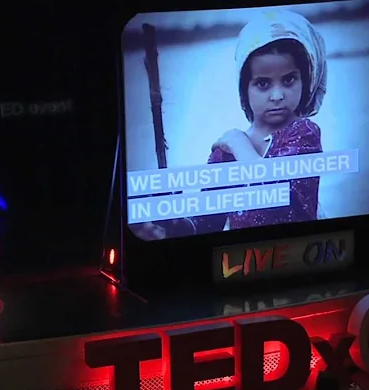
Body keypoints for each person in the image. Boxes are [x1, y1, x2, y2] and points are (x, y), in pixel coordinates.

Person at [134, 10, 327, 240]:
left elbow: (283, 199)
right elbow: (207, 224)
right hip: (243, 263)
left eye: (288, 79)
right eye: (263, 83)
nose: (277, 95)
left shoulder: (303, 134)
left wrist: (240, 144)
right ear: (244, 89)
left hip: (296, 255)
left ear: (306, 79)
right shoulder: (226, 152)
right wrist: (176, 222)